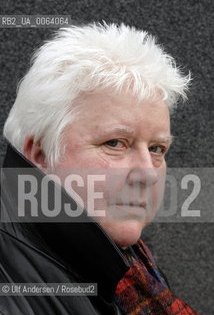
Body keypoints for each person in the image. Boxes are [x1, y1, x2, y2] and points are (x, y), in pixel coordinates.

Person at [0, 22, 200, 314]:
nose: (147, 173)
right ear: (40, 154)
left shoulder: (130, 269)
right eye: (116, 143)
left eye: (157, 148)